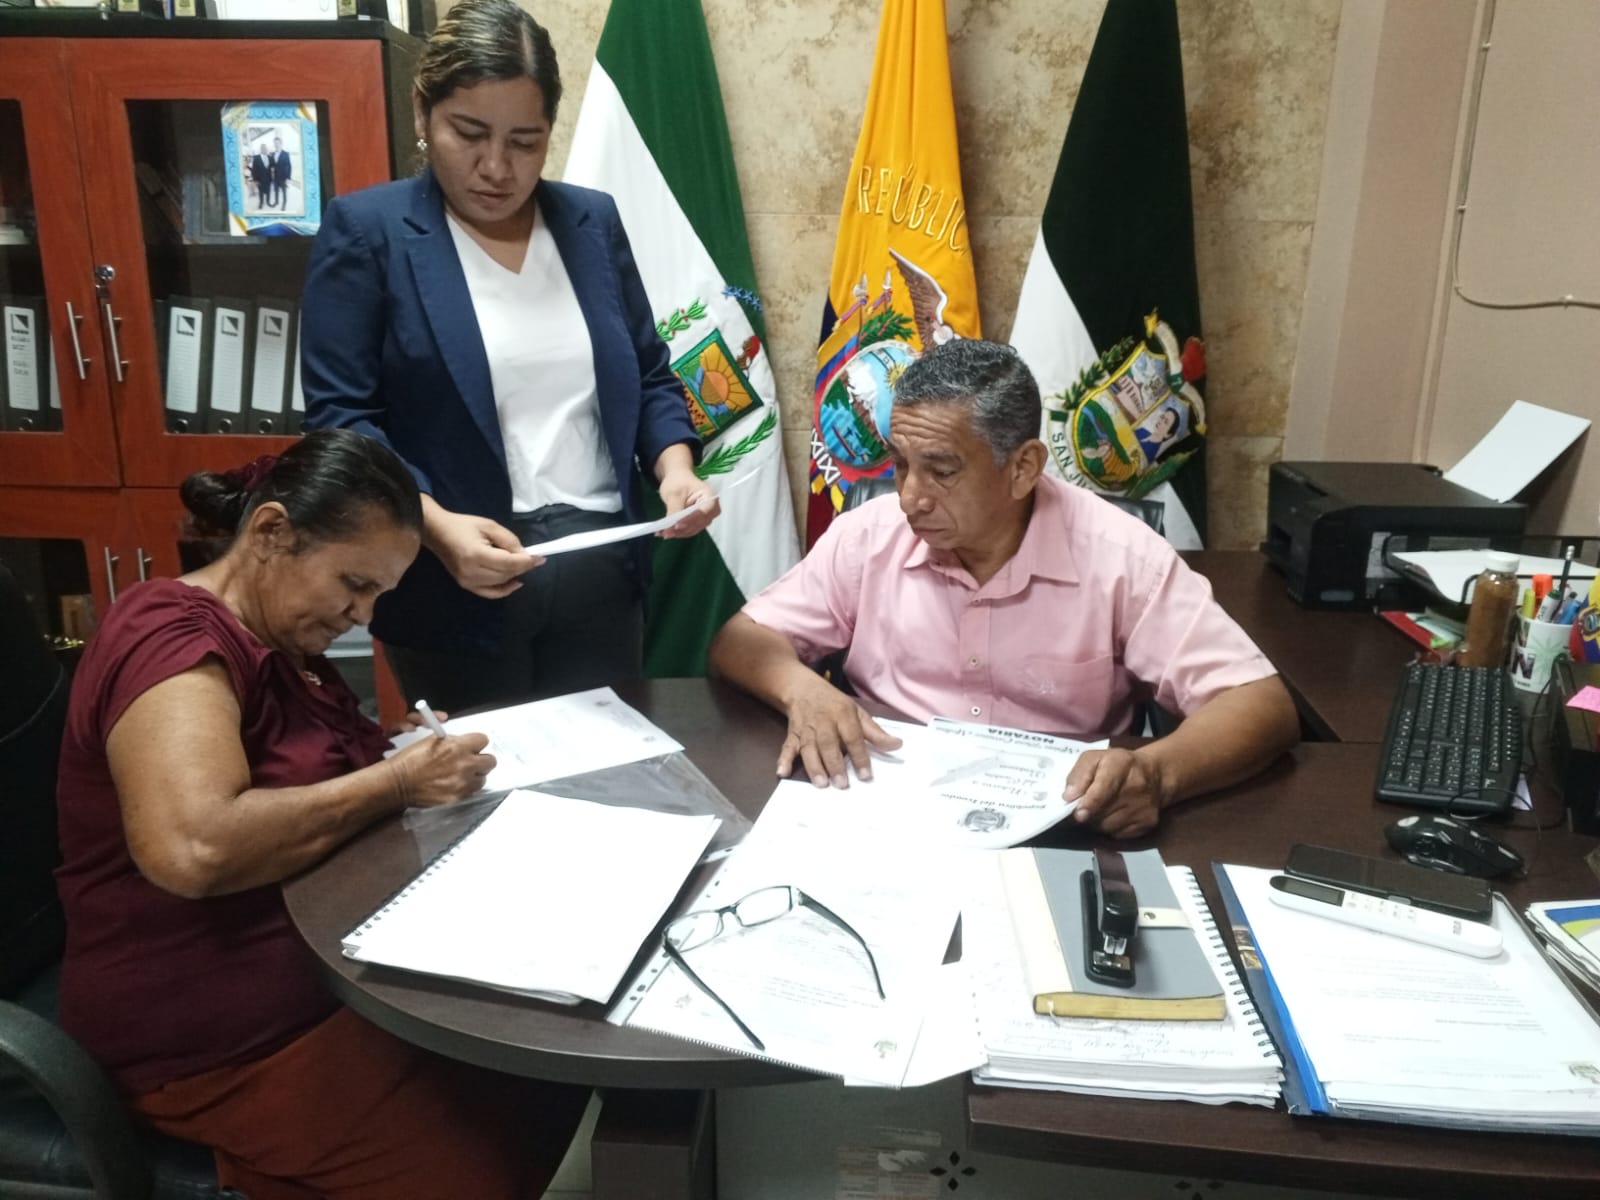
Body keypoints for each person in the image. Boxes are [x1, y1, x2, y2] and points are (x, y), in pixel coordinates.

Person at [54, 430, 588, 1199]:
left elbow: (301, 769)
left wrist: (392, 752)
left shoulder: (284, 644)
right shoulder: (167, 634)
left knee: (549, 1058)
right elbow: (195, 846)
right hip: (213, 1035)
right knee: (484, 1167)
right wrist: (396, 783)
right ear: (272, 533)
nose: (361, 614)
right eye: (354, 583)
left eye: (378, 595)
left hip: (332, 976)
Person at [300, 0, 716, 713]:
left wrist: (675, 469)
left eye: (526, 141)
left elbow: (648, 373)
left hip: (600, 562)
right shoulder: (370, 232)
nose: (496, 168)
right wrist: (435, 527)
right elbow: (343, 420)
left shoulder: (589, 222)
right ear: (423, 112)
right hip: (452, 575)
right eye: (469, 134)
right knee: (485, 771)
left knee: (607, 763)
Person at [709, 339, 1300, 839]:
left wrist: (1156, 773)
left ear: (1022, 468)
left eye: (941, 471)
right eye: (900, 464)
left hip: (1060, 825)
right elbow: (741, 640)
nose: (910, 498)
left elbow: (1261, 705)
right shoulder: (869, 536)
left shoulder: (1120, 556)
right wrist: (804, 691)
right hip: (885, 812)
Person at [270, 133, 292, 210]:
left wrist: (288, 177)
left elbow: (289, 166)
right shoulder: (272, 154)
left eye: (277, 143)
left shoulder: (286, 154)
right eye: (275, 143)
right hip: (275, 176)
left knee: (284, 191)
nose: (276, 145)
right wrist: (272, 167)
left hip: (283, 176)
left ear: (281, 143)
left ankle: (284, 204)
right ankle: (276, 202)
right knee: (276, 190)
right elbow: (272, 164)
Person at [249, 143, 272, 210]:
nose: (265, 149)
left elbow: (273, 166)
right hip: (260, 179)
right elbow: (254, 170)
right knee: (261, 192)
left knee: (268, 191)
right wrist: (255, 180)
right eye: (263, 148)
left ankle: (268, 202)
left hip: (268, 179)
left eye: (265, 148)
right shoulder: (256, 157)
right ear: (261, 149)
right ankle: (261, 203)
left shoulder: (270, 157)